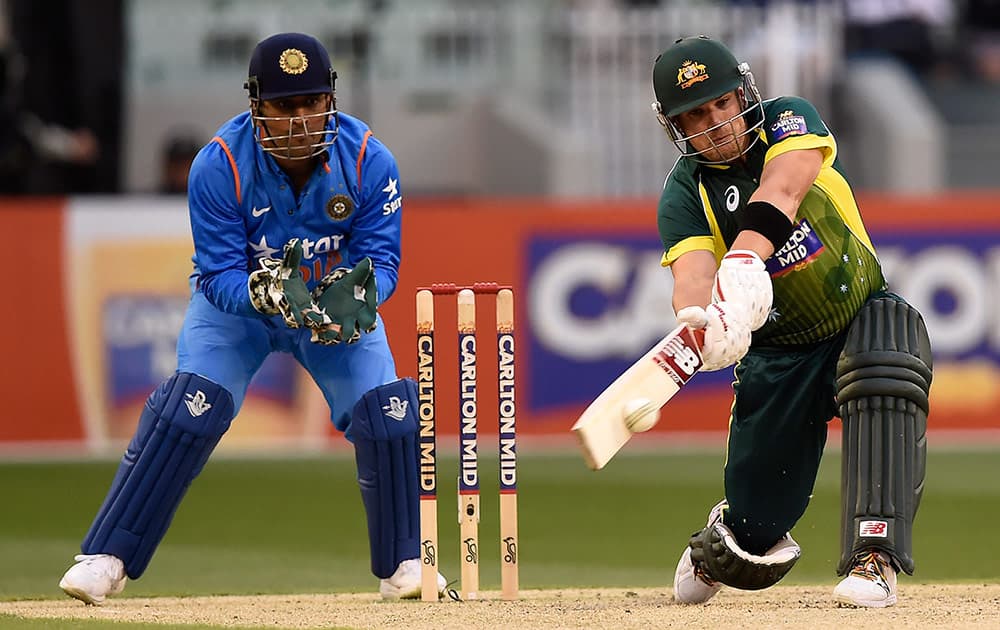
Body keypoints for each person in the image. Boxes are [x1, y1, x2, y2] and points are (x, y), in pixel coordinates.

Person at [58, 32, 445, 604]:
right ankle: (105, 558)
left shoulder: (368, 159)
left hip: (330, 312)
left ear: (330, 99)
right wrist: (263, 293)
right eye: (285, 107)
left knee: (387, 411)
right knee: (190, 409)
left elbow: (383, 260)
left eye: (312, 103)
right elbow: (216, 276)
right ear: (257, 105)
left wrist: (360, 295)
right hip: (241, 313)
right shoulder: (218, 166)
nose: (300, 121)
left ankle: (405, 565)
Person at [650, 35, 933, 608]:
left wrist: (746, 256)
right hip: (779, 353)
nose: (715, 125)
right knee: (751, 538)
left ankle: (873, 558)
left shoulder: (788, 119)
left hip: (858, 314)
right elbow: (692, 272)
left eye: (722, 104)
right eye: (696, 116)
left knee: (887, 361)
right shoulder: (685, 190)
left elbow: (783, 189)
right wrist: (704, 319)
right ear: (674, 125)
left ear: (743, 94)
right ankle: (723, 539)